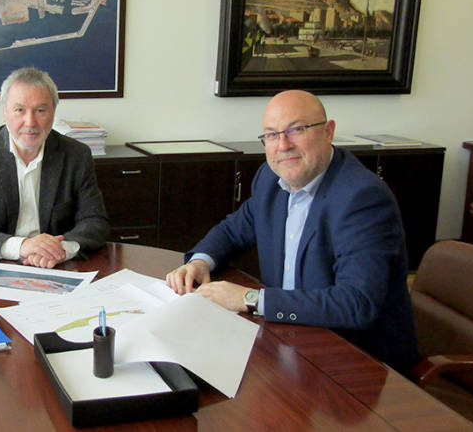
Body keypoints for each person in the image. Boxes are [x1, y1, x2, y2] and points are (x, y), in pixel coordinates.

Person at [165, 89, 417, 374]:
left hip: (356, 363)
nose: (282, 145)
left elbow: (356, 303)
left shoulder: (362, 198)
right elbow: (234, 230)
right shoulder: (271, 178)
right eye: (271, 135)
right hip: (288, 339)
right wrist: (200, 262)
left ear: (328, 131)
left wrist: (249, 298)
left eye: (296, 130)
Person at [0, 67, 110, 268]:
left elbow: (95, 222)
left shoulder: (76, 156)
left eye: (40, 110)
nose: (30, 122)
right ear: (5, 113)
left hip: (56, 266)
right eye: (19, 110)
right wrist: (21, 246)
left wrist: (61, 250)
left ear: (53, 113)